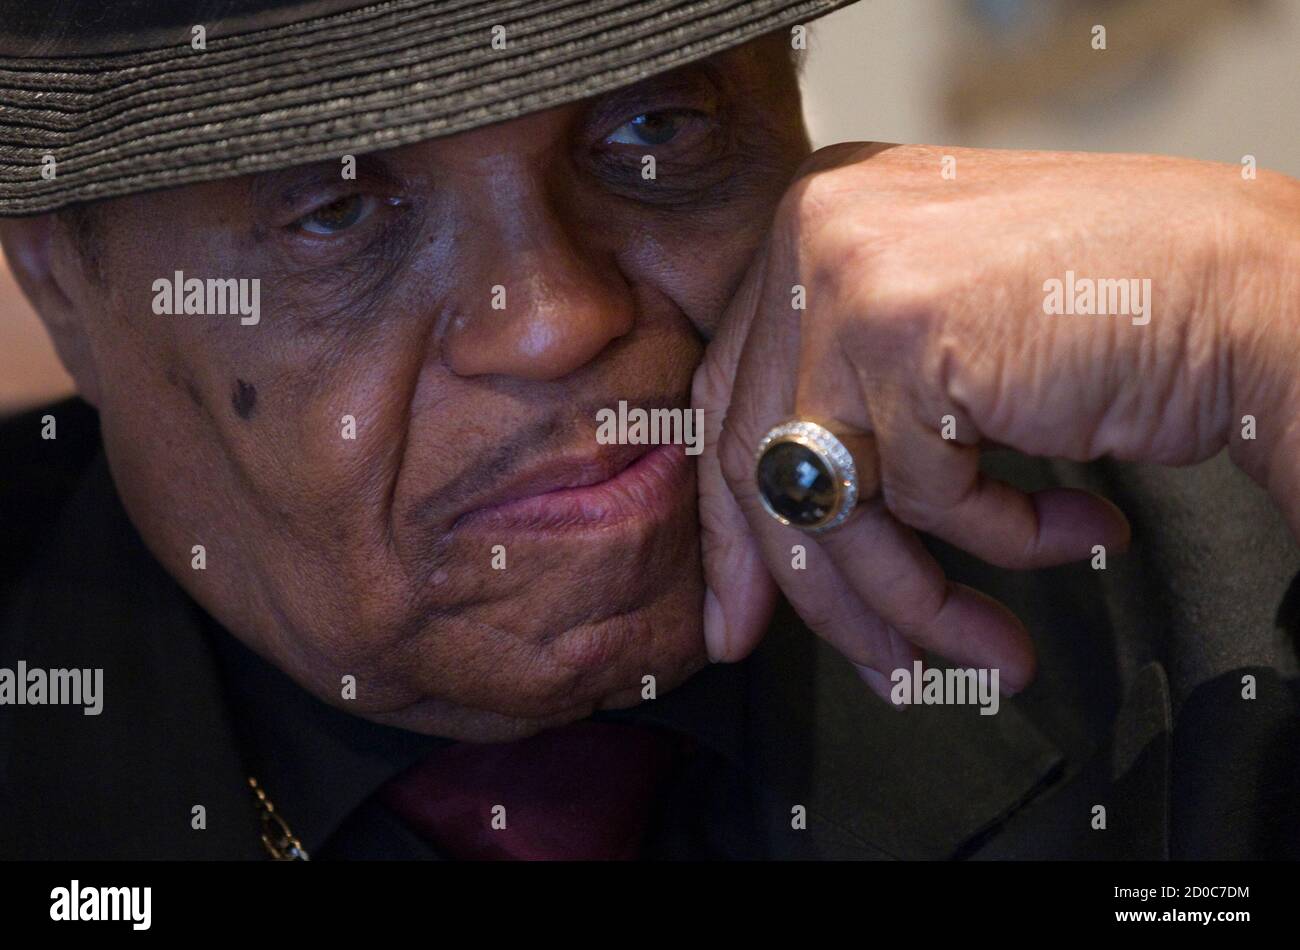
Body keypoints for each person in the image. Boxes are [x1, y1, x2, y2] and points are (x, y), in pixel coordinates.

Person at [0, 0, 1297, 860]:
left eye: (654, 128)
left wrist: (1273, 290)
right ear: (62, 278)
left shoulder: (1199, 556)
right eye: (335, 215)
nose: (558, 318)